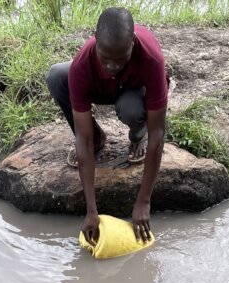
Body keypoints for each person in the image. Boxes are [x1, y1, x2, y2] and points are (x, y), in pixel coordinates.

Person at [45, 7, 168, 247]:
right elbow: (83, 139)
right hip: (100, 89)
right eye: (105, 58)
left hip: (132, 93)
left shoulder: (151, 59)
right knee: (57, 76)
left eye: (120, 59)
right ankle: (99, 136)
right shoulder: (83, 63)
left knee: (131, 109)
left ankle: (135, 135)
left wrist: (144, 201)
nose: (112, 65)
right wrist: (91, 210)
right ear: (95, 42)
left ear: (132, 44)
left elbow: (158, 133)